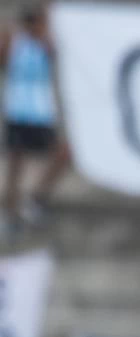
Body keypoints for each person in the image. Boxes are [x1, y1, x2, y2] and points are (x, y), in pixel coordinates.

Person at [0, 3, 71, 237]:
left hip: (42, 113)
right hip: (18, 111)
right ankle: (10, 215)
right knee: (15, 165)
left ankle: (35, 199)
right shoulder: (15, 40)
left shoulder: (48, 42)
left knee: (64, 154)